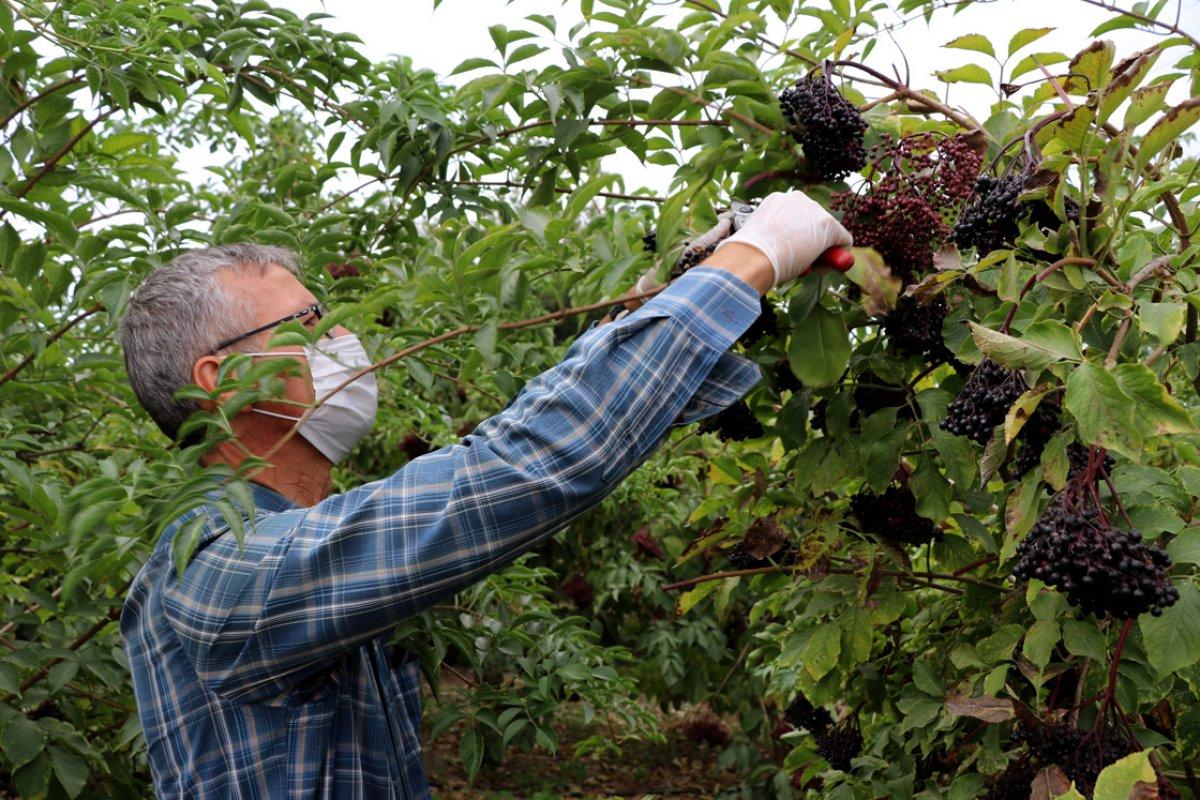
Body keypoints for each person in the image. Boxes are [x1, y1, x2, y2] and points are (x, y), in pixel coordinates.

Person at [117, 191, 851, 799]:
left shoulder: (304, 547)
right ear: (216, 381)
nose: (340, 338)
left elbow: (535, 440)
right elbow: (518, 468)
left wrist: (679, 283)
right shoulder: (212, 567)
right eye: (305, 325)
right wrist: (746, 263)